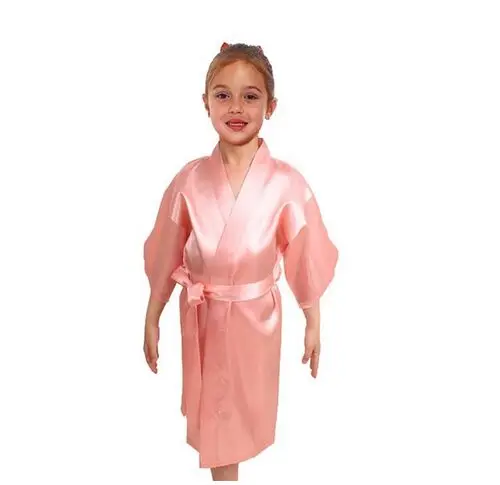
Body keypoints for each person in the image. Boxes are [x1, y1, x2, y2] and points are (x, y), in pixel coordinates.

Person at [143, 42, 339, 481]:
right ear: (205, 103)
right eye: (223, 95)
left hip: (256, 322)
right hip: (204, 317)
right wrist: (152, 314)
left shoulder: (287, 184)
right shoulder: (188, 180)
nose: (236, 107)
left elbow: (305, 255)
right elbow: (165, 251)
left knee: (241, 418)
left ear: (270, 106)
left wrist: (313, 321)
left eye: (250, 96)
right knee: (217, 422)